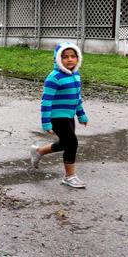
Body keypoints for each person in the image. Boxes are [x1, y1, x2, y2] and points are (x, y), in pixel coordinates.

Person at [30, 42, 89, 188]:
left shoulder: (76, 75)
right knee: (72, 143)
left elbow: (77, 98)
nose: (69, 60)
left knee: (64, 143)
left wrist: (81, 115)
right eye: (65, 57)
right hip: (56, 117)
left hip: (69, 116)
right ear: (57, 59)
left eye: (73, 56)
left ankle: (38, 151)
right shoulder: (54, 77)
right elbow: (46, 101)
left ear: (78, 58)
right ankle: (69, 177)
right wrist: (46, 122)